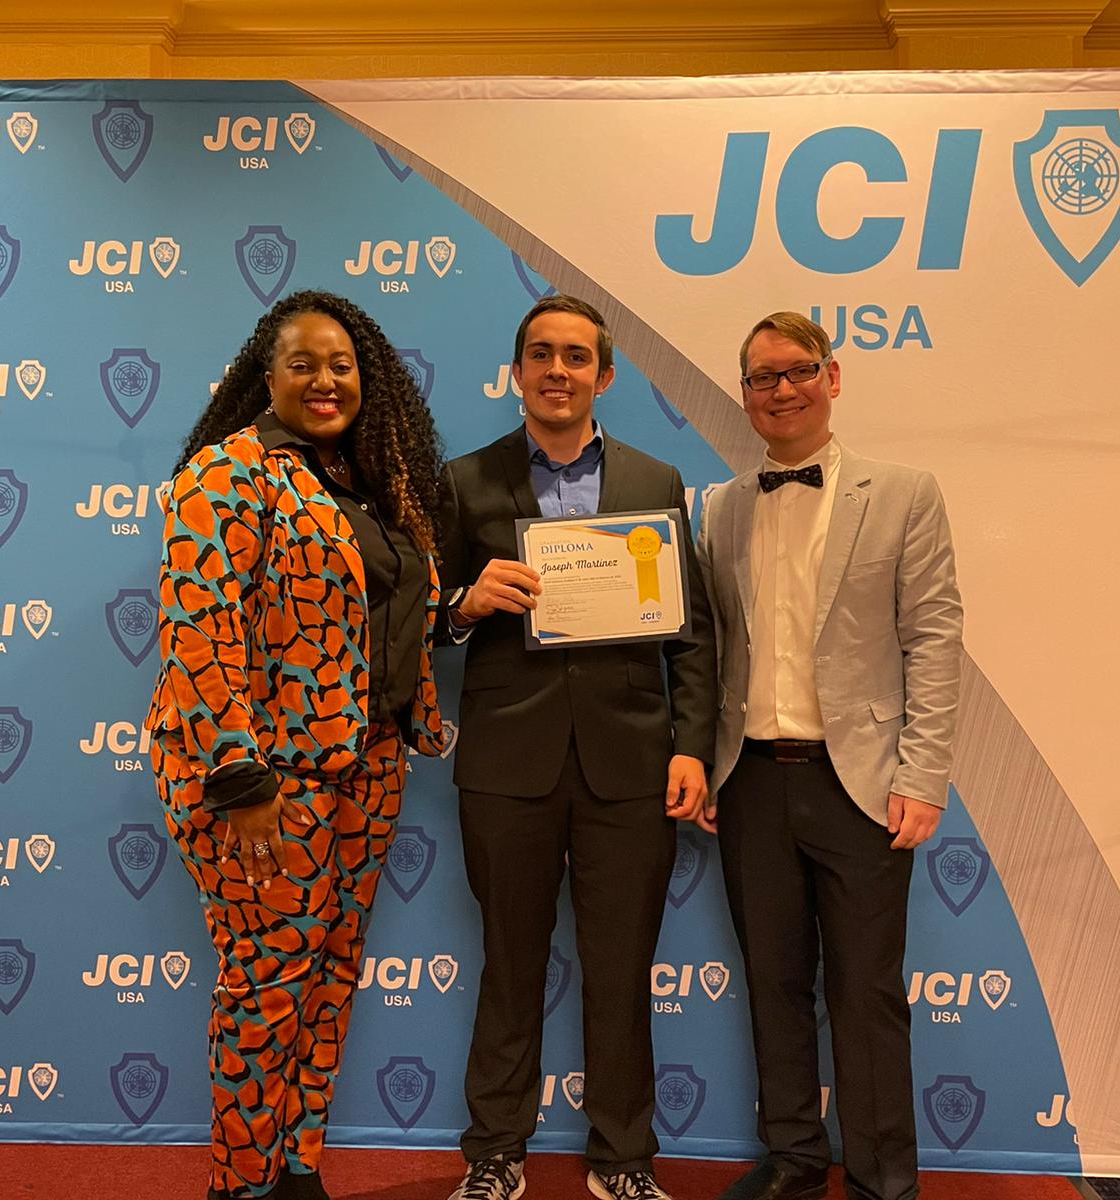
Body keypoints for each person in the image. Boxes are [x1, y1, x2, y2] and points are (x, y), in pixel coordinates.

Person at [144, 290, 449, 1200]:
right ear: (263, 377)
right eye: (303, 363)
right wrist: (239, 772)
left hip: (368, 767)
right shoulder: (225, 474)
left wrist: (458, 612)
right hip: (263, 777)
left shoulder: (367, 483)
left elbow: (388, 617)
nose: (325, 379)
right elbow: (200, 628)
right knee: (266, 978)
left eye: (342, 364)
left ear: (370, 379)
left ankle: (298, 1165)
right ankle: (237, 1183)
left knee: (330, 973)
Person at [437, 295, 716, 1200]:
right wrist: (464, 607)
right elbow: (418, 620)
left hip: (631, 767)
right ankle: (493, 1156)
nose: (558, 370)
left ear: (605, 374)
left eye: (577, 356)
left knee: (622, 967)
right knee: (510, 964)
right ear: (515, 371)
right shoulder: (463, 482)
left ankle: (625, 1161)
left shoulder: (655, 482)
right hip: (506, 767)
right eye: (540, 354)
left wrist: (691, 747)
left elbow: (691, 635)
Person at [696, 311, 963, 1200]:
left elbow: (933, 637)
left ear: (833, 377)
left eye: (797, 371)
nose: (780, 390)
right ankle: (797, 1160)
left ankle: (886, 1176)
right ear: (744, 395)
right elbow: (708, 650)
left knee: (867, 993)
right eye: (762, 378)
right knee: (773, 987)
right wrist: (702, 760)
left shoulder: (904, 492)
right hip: (750, 783)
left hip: (864, 786)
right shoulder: (721, 508)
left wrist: (924, 775)